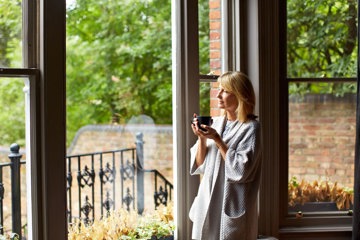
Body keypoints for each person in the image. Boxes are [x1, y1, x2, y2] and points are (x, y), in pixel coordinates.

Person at [189, 71, 262, 240]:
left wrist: (217, 139)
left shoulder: (251, 128)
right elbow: (200, 165)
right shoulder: (217, 123)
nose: (218, 95)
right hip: (207, 200)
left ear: (240, 95)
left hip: (230, 203)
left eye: (225, 91)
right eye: (219, 89)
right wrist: (201, 138)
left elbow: (240, 171)